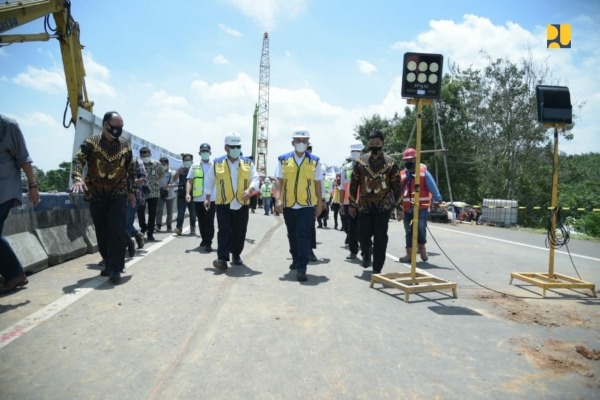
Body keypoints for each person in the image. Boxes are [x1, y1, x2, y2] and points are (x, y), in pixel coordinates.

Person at [70, 111, 136, 283]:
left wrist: (131, 192)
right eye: (116, 126)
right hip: (96, 192)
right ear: (106, 125)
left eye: (121, 126)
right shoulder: (90, 143)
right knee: (102, 229)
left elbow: (130, 170)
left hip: (118, 191)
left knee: (116, 228)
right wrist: (77, 178)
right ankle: (108, 261)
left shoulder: (125, 146)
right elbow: (78, 160)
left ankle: (116, 268)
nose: (119, 129)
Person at [204, 132, 260, 270]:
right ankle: (222, 258)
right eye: (232, 146)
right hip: (223, 203)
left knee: (239, 231)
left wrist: (250, 190)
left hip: (242, 203)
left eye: (238, 146)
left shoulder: (248, 163)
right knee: (223, 230)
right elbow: (210, 180)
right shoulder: (218, 163)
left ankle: (236, 254)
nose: (236, 149)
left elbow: (255, 178)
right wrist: (207, 197)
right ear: (226, 147)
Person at [348, 130, 402, 273]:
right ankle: (366, 253)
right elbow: (354, 184)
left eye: (377, 144)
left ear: (383, 143)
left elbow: (397, 186)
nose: (374, 146)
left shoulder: (391, 163)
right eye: (372, 144)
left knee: (380, 238)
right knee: (362, 235)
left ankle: (377, 269)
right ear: (368, 144)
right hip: (364, 205)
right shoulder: (361, 162)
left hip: (383, 206)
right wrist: (352, 204)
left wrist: (400, 207)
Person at [274, 130, 324, 282]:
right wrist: (278, 199)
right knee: (292, 234)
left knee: (303, 234)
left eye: (304, 140)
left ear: (308, 143)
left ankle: (302, 267)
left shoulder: (315, 160)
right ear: (292, 143)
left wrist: (320, 203)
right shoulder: (283, 159)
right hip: (289, 203)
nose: (301, 143)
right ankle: (295, 258)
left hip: (307, 204)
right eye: (298, 140)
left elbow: (318, 183)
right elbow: (279, 180)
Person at [0, 114, 41, 294]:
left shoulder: (8, 125)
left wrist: (33, 186)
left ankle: (15, 274)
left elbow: (23, 157)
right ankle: (14, 273)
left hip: (4, 188)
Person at [398, 147, 443, 262]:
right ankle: (409, 254)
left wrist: (438, 198)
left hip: (421, 207)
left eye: (411, 160)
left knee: (421, 228)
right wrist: (395, 205)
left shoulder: (423, 173)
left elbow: (432, 186)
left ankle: (422, 247)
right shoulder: (401, 175)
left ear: (416, 159)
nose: (408, 162)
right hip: (406, 208)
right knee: (408, 230)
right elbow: (396, 191)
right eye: (406, 160)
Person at [186, 143, 216, 252]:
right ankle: (204, 238)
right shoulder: (194, 166)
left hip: (212, 198)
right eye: (203, 151)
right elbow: (189, 181)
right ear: (199, 153)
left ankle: (208, 242)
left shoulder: (215, 165)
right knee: (201, 221)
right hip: (198, 198)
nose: (205, 153)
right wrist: (187, 193)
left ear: (210, 153)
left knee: (209, 221)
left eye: (206, 151)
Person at [339, 141, 364, 260]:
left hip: (364, 202)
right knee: (351, 228)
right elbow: (342, 187)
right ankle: (353, 251)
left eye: (357, 151)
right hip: (349, 202)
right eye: (353, 151)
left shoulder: (368, 166)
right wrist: (341, 204)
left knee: (363, 228)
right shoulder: (346, 168)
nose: (355, 153)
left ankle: (366, 251)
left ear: (362, 152)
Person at [137, 147, 163, 241]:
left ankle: (150, 233)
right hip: (141, 192)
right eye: (144, 156)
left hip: (154, 192)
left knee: (152, 213)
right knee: (140, 212)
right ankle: (143, 227)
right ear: (140, 156)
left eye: (148, 156)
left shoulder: (157, 164)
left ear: (151, 155)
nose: (146, 158)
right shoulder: (137, 164)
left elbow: (161, 174)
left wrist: (157, 182)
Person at [127, 155, 147, 251]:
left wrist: (129, 182)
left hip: (134, 195)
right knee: (120, 222)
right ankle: (137, 234)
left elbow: (144, 178)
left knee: (126, 221)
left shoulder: (136, 161)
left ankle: (126, 245)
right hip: (117, 195)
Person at [156, 157, 176, 233]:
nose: (162, 166)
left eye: (164, 164)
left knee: (169, 211)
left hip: (170, 194)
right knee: (159, 210)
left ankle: (169, 226)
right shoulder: (158, 172)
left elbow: (177, 183)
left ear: (168, 164)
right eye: (161, 164)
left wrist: (168, 186)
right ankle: (158, 225)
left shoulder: (172, 173)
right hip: (160, 194)